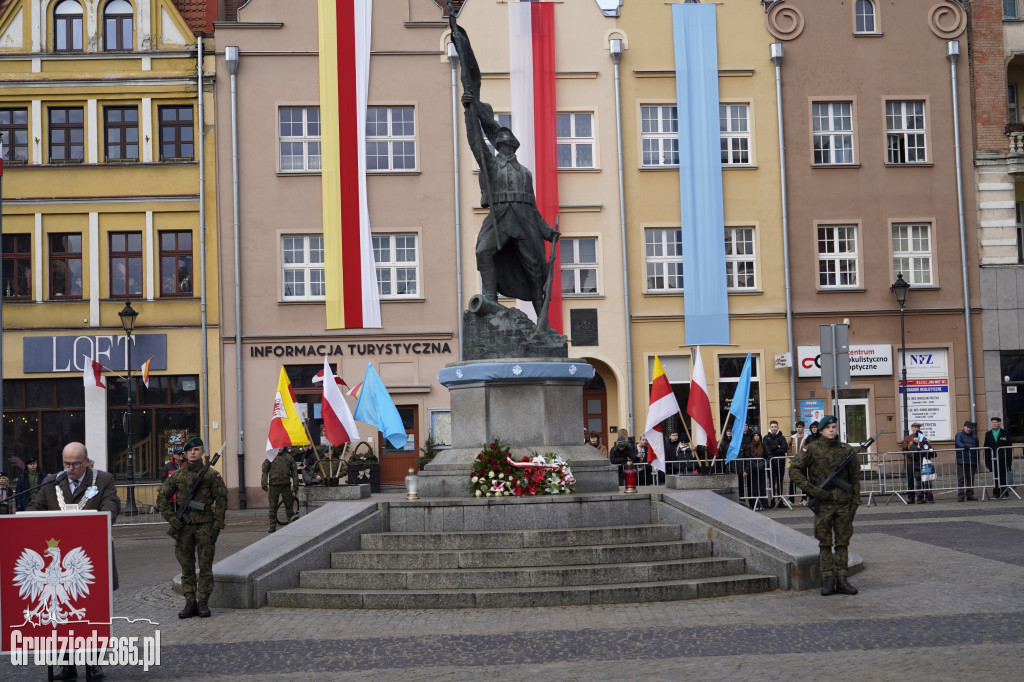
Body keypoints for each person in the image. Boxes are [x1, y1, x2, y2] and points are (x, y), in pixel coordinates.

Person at [452, 10, 560, 334]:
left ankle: (545, 326)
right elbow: (474, 138)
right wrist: (469, 106)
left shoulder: (525, 172)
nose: (502, 143)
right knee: (482, 250)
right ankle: (488, 300)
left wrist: (546, 231)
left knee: (535, 272)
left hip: (523, 219)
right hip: (499, 214)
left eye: (506, 140)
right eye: (499, 140)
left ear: (513, 144)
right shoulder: (489, 161)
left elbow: (534, 206)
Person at [27, 442, 120, 681]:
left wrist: (100, 520)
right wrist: (28, 518)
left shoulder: (103, 480)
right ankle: (66, 665)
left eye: (76, 464)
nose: (70, 468)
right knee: (62, 615)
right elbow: (36, 507)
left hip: (92, 559)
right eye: (66, 463)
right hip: (57, 565)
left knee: (93, 612)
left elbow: (111, 505)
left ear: (86, 462)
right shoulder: (51, 481)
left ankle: (94, 664)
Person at [789, 415, 860, 596]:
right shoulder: (811, 449)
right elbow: (794, 470)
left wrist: (854, 504)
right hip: (823, 505)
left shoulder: (847, 450)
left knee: (843, 543)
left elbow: (855, 480)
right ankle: (828, 578)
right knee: (825, 543)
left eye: (834, 427)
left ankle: (842, 578)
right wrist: (812, 491)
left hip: (843, 504)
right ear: (820, 430)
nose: (831, 430)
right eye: (828, 427)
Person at [157, 436, 227, 619]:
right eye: (189, 450)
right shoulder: (177, 476)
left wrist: (218, 525)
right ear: (185, 454)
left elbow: (221, 500)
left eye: (196, 449)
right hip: (184, 528)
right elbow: (162, 498)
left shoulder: (211, 475)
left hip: (205, 525)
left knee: (205, 566)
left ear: (202, 452)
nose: (193, 453)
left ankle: (203, 601)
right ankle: (190, 601)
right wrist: (171, 519)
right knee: (186, 566)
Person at [262, 448, 299, 534]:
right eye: (277, 446)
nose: (280, 448)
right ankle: (272, 526)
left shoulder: (288, 458)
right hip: (273, 486)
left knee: (289, 506)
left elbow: (294, 472)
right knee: (272, 507)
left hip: (286, 485)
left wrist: (295, 484)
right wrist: (264, 483)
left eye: (281, 446)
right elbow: (264, 471)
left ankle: (291, 524)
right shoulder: (270, 457)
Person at [901, 423, 931, 503]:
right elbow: (904, 450)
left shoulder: (922, 437)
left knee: (921, 479)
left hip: (920, 461)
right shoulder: (907, 438)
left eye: (918, 427)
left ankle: (922, 496)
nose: (917, 428)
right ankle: (911, 497)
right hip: (910, 461)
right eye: (915, 427)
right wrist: (911, 454)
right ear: (912, 428)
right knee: (910, 479)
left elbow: (926, 447)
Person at [984, 417, 1012, 499]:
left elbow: (1009, 447)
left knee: (1003, 476)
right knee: (995, 476)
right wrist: (987, 461)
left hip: (1003, 459)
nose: (994, 424)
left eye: (996, 422)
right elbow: (986, 448)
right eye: (993, 422)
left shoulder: (1005, 433)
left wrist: (1009, 461)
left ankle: (1004, 493)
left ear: (999, 424)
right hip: (993, 459)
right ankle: (996, 494)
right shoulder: (988, 434)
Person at [763, 420, 789, 507]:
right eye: (772, 427)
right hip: (771, 463)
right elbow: (766, 449)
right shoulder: (766, 438)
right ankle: (772, 501)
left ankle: (780, 501)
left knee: (780, 482)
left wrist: (773, 448)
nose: (774, 428)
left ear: (778, 427)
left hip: (780, 463)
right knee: (772, 482)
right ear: (770, 427)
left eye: (775, 427)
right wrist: (777, 446)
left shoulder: (782, 438)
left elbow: (784, 449)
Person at [954, 420, 979, 502]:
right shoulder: (959, 435)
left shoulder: (974, 436)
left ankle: (970, 495)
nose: (969, 429)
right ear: (964, 427)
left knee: (970, 479)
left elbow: (977, 449)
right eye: (967, 427)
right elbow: (958, 443)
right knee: (961, 479)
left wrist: (977, 460)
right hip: (961, 460)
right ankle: (961, 495)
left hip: (972, 460)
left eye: (970, 427)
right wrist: (964, 447)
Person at [747, 432, 768, 510]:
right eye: (755, 436)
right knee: (754, 487)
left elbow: (768, 456)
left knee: (762, 487)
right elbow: (747, 456)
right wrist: (751, 465)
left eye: (757, 435)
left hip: (761, 469)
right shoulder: (749, 446)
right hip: (753, 469)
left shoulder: (763, 445)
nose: (756, 437)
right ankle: (754, 504)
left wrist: (764, 464)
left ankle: (763, 504)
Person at [789, 421, 808, 503]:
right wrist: (791, 458)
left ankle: (804, 499)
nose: (798, 429)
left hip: (803, 462)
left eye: (800, 427)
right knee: (792, 480)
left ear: (803, 428)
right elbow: (789, 449)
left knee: (803, 480)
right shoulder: (792, 438)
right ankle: (791, 499)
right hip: (794, 462)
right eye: (797, 427)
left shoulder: (807, 438)